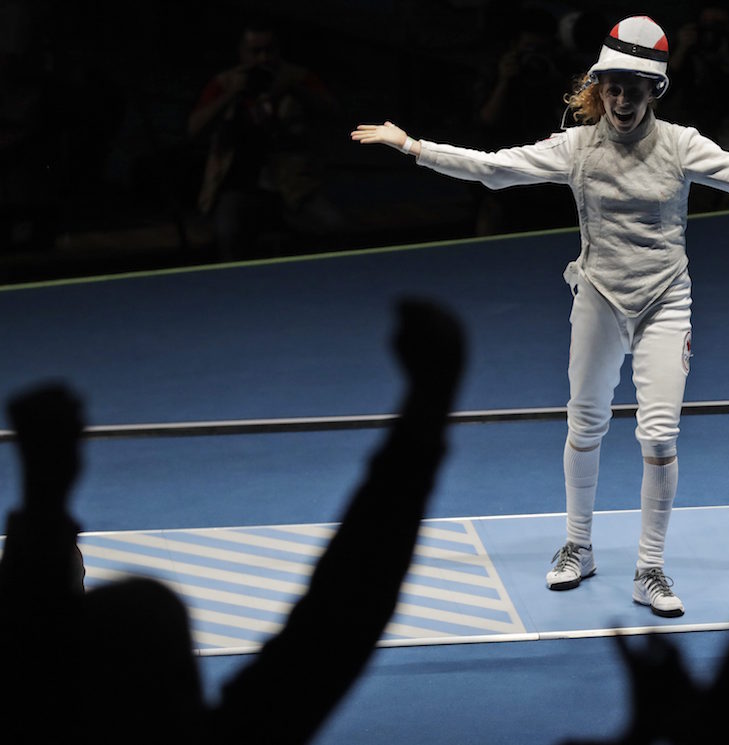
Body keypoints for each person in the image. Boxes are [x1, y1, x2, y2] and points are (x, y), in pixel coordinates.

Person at [352, 14, 729, 618]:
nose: (622, 98)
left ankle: (650, 568)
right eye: (613, 85)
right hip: (600, 297)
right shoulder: (578, 148)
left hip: (666, 300)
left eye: (635, 87)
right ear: (599, 86)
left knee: (659, 435)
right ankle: (577, 546)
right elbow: (495, 169)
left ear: (654, 90)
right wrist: (413, 147)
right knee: (585, 425)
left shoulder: (682, 145)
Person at [0, 300, 465, 744]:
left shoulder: (33, 720)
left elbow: (31, 660)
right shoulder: (238, 735)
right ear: (183, 674)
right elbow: (340, 615)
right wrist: (428, 402)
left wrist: (44, 496)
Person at [188, 21, 343, 260]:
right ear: (241, 52)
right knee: (227, 233)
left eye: (269, 50)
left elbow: (334, 115)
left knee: (333, 224)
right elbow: (194, 130)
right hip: (238, 188)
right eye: (255, 52)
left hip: (293, 185)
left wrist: (294, 91)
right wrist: (231, 96)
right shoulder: (226, 83)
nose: (263, 58)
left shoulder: (296, 78)